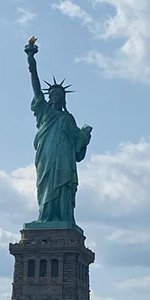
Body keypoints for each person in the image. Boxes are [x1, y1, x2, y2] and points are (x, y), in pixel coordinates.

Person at [24, 38, 92, 227]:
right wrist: (31, 59)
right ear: (49, 97)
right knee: (46, 185)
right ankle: (45, 216)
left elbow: (77, 150)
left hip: (64, 158)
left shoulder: (68, 119)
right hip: (46, 155)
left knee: (64, 186)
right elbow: (36, 87)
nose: (55, 97)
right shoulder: (44, 111)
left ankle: (63, 217)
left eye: (59, 95)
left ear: (63, 99)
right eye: (52, 94)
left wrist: (84, 137)